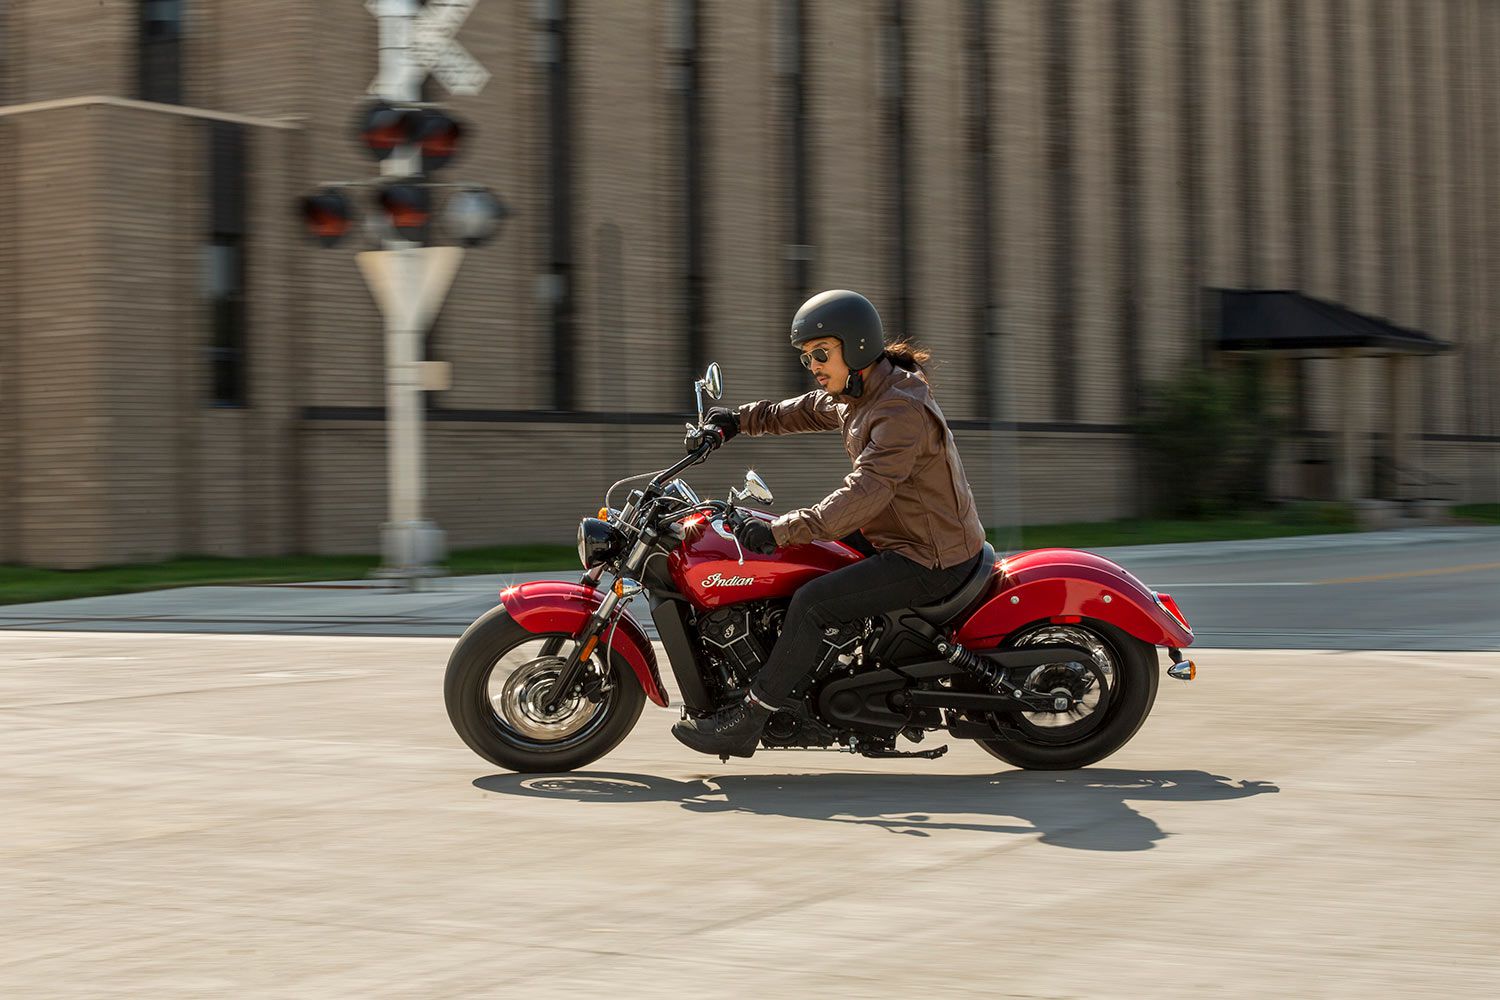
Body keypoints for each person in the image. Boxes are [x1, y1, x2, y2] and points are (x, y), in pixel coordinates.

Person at [671, 289, 987, 758]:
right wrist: (737, 421)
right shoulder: (859, 392)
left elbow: (867, 491)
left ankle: (750, 720)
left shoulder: (898, 409)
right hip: (900, 534)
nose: (815, 366)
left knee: (813, 602)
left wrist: (783, 530)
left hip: (928, 555)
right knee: (801, 563)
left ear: (856, 347)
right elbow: (799, 410)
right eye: (807, 358)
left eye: (822, 354)